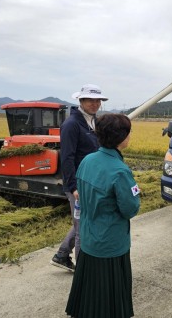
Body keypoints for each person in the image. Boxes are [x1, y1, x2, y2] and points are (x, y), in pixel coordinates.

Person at [65, 113, 141, 318]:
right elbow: (130, 209)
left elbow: (81, 193)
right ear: (121, 137)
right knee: (110, 297)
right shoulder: (120, 171)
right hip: (111, 244)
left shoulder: (87, 161)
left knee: (90, 292)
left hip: (90, 238)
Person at [51, 83, 108, 271]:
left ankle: (61, 255)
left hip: (91, 181)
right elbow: (66, 157)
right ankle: (84, 271)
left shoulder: (94, 121)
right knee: (83, 227)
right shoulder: (71, 124)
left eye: (97, 100)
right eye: (90, 100)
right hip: (78, 184)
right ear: (81, 101)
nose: (95, 103)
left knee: (82, 221)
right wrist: (74, 187)